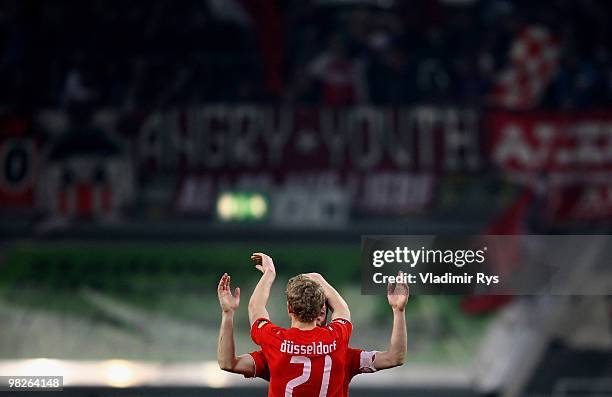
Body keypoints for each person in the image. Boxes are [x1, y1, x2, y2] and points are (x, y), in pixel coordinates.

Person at [217, 254, 409, 396]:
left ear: (289, 309)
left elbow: (228, 361)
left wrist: (268, 274)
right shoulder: (338, 344)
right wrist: (398, 311)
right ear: (322, 312)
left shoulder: (275, 346)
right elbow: (394, 357)